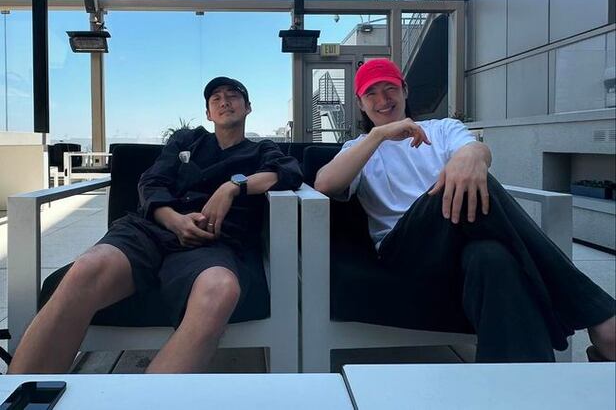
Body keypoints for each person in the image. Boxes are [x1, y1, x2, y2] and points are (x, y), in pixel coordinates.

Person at [315, 58, 615, 363]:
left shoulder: (442, 129)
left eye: (389, 88)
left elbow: (476, 150)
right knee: (454, 186)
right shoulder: (359, 148)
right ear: (360, 104)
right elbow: (325, 184)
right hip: (403, 252)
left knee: (492, 258)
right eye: (371, 93)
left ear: (404, 90)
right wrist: (378, 136)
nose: (382, 99)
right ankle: (598, 315)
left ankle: (522, 384)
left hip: (461, 248)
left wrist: (471, 156)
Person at [9, 77, 303, 373]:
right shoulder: (186, 141)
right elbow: (151, 182)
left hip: (212, 243)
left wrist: (233, 186)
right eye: (216, 98)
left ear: (248, 107)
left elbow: (289, 172)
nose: (224, 101)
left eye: (233, 96)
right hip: (151, 230)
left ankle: (148, 395)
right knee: (87, 268)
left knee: (220, 288)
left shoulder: (260, 150)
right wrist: (174, 220)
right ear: (208, 114)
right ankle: (22, 392)